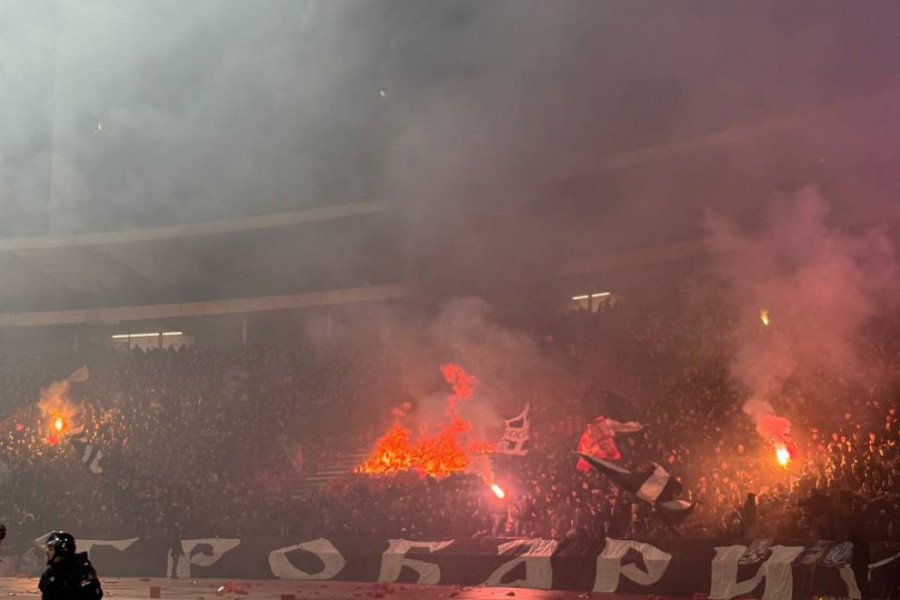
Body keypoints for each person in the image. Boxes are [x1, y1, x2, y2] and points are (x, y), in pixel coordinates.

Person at [38, 531, 103, 600]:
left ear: (62, 550)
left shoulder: (81, 571)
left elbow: (94, 594)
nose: (47, 552)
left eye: (51, 549)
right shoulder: (51, 572)